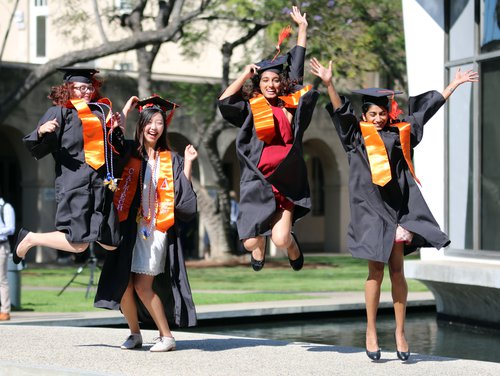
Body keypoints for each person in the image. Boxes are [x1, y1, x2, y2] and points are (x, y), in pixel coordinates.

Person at [310, 57, 479, 361]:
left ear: (388, 113)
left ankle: (401, 332)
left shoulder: (400, 133)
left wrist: (453, 84)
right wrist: (329, 83)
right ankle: (371, 331)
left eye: (382, 113)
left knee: (397, 270)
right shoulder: (355, 137)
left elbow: (425, 112)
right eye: (372, 113)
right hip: (368, 210)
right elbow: (340, 111)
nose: (377, 118)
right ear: (365, 115)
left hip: (397, 209)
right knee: (375, 270)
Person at [217, 6, 319, 271]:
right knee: (250, 242)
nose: (271, 85)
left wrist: (302, 29)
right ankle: (258, 246)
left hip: (286, 181)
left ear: (280, 82)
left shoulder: (290, 104)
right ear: (259, 84)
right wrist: (245, 74)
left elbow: (297, 65)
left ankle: (292, 244)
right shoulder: (253, 108)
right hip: (257, 180)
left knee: (282, 238)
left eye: (275, 80)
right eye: (265, 81)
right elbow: (226, 101)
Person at [94, 95, 198, 352]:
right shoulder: (130, 152)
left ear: (165, 127)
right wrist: (125, 113)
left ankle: (167, 336)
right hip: (128, 230)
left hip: (156, 231)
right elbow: (110, 148)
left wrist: (189, 166)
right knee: (124, 284)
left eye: (159, 122)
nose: (154, 127)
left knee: (142, 285)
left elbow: (182, 198)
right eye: (149, 122)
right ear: (141, 125)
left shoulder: (171, 159)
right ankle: (135, 333)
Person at [14, 67, 136, 264]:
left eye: (89, 88)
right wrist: (41, 132)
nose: (86, 92)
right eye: (80, 88)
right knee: (79, 244)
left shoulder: (99, 114)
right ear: (68, 88)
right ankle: (30, 238)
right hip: (75, 185)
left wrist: (118, 125)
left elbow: (114, 151)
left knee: (111, 240)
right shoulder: (60, 112)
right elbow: (37, 148)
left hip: (100, 185)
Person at [0, 190, 15, 321]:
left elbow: (11, 228)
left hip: (1, 245)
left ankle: (5, 311)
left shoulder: (6, 207)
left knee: (1, 279)